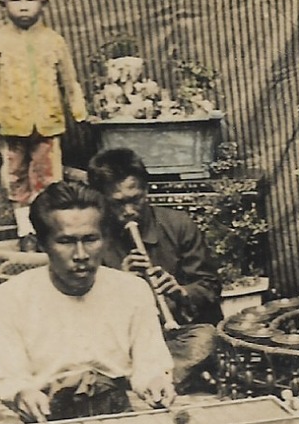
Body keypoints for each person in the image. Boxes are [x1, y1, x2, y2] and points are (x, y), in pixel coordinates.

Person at [0, 181, 174, 423]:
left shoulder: (132, 290)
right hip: (45, 418)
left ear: (105, 240)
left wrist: (155, 382)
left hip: (117, 414)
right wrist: (23, 393)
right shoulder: (11, 296)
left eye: (90, 239)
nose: (81, 255)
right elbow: (10, 376)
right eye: (65, 242)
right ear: (42, 244)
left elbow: (150, 363)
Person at [86, 147, 221, 392]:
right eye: (117, 204)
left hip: (173, 337)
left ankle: (139, 381)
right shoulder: (92, 239)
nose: (129, 211)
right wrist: (121, 284)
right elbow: (85, 311)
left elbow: (210, 286)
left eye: (135, 199)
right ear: (101, 200)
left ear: (146, 191)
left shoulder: (178, 225)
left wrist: (181, 292)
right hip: (121, 342)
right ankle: (160, 381)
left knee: (207, 339)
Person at [0, 0, 88, 241]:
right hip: (13, 125)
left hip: (48, 124)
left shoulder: (54, 40)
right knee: (15, 176)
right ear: (3, 3)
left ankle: (48, 229)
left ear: (44, 1)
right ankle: (25, 229)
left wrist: (80, 113)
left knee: (48, 176)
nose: (23, 5)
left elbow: (69, 80)